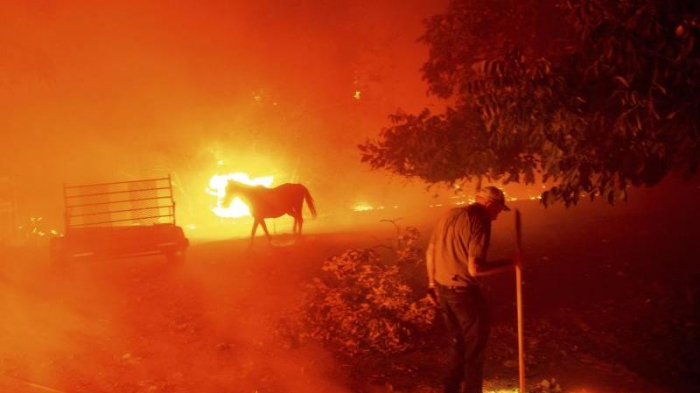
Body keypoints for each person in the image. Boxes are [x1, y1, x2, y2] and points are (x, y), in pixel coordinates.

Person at [426, 186, 518, 393]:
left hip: (443, 290)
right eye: (497, 211)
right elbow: (475, 268)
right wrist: (511, 263)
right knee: (475, 348)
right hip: (463, 293)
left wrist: (431, 285)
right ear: (490, 204)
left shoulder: (450, 214)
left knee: (458, 343)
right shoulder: (480, 221)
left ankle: (450, 389)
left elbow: (430, 251)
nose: (496, 217)